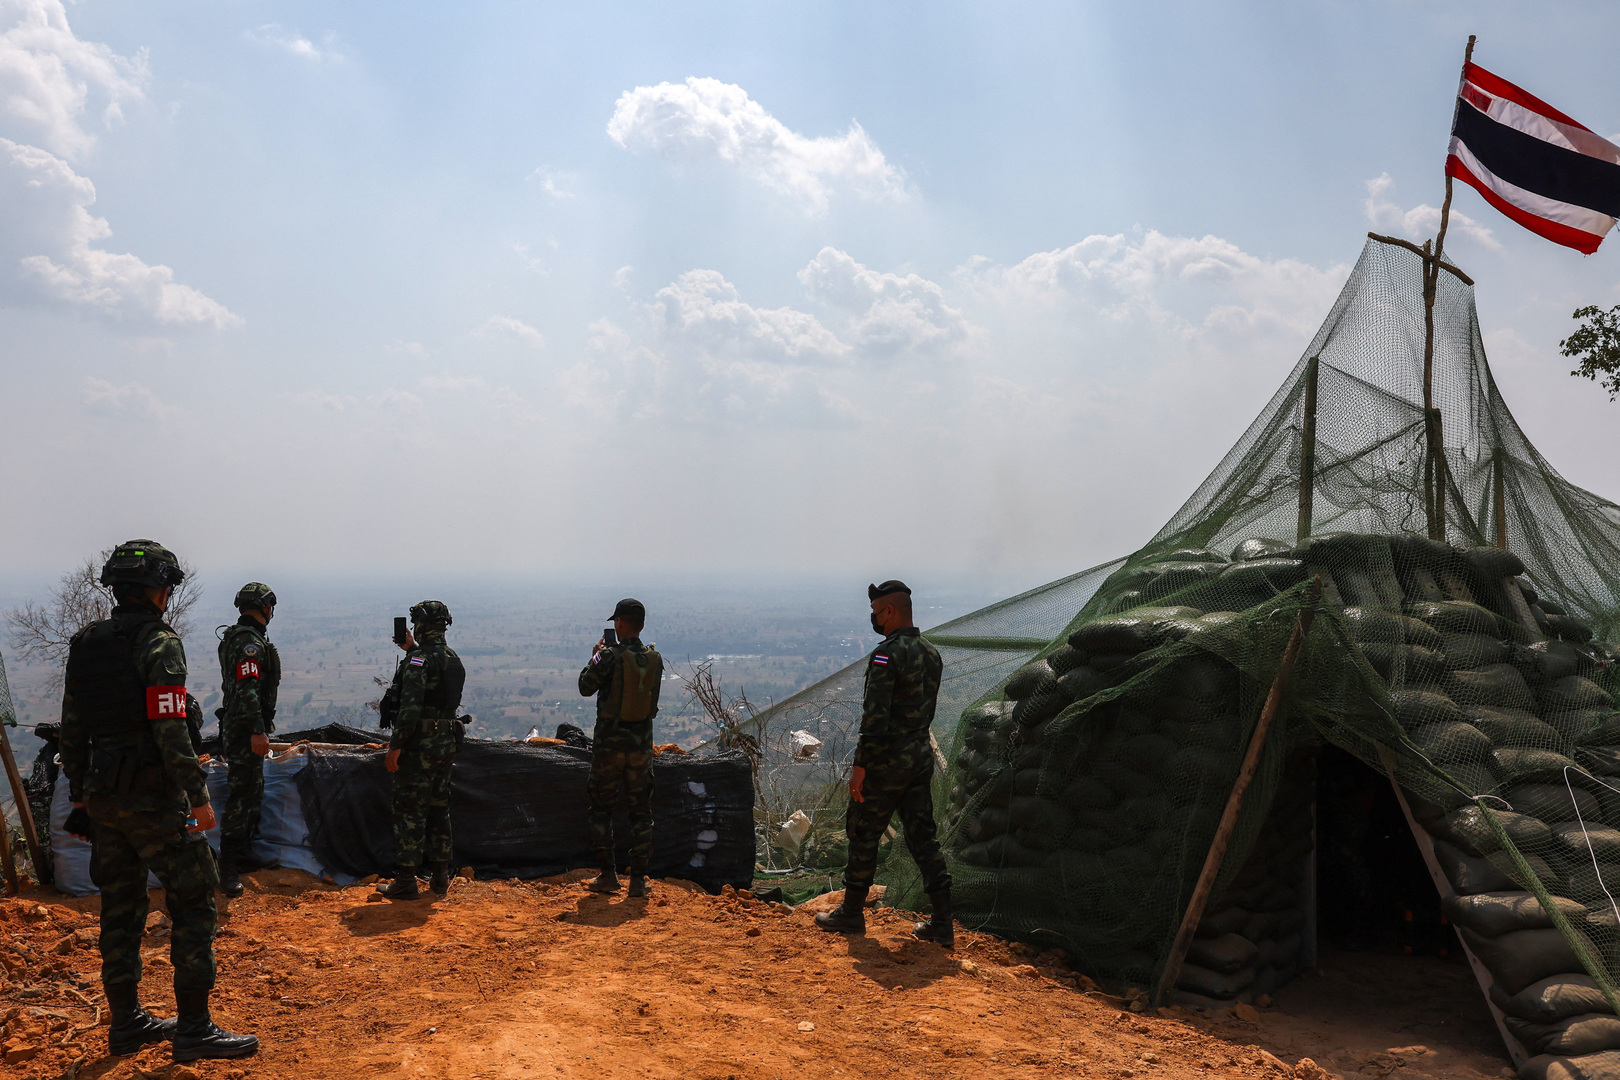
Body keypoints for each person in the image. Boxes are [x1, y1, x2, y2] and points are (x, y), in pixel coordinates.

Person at [59, 539, 258, 1061]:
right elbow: (170, 730)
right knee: (194, 900)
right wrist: (198, 797)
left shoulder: (86, 642)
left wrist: (79, 797)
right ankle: (194, 1028)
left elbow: (72, 728)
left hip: (103, 799)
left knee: (120, 908)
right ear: (159, 590)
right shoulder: (159, 643)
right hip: (153, 800)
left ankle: (126, 1025)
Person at [815, 580, 955, 947]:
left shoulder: (886, 656)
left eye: (876, 612)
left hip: (886, 762)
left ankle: (851, 913)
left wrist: (861, 766)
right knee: (923, 837)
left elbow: (875, 718)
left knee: (864, 832)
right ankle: (943, 922)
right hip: (919, 758)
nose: (874, 618)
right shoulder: (931, 653)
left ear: (889, 611)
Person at [378, 600, 465, 900]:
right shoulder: (452, 659)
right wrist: (412, 649)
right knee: (440, 807)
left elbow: (410, 709)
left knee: (410, 810)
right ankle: (440, 878)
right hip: (446, 743)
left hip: (419, 747)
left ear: (422, 625)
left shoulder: (418, 661)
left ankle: (406, 880)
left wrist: (396, 746)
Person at [577, 598, 663, 897]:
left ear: (620, 623)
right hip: (641, 748)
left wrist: (595, 656)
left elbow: (585, 687)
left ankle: (608, 875)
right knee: (642, 813)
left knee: (601, 810)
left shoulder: (608, 656)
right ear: (641, 626)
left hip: (609, 748)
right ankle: (638, 881)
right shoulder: (654, 659)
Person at [214, 582, 281, 897]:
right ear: (265, 607)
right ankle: (227, 868)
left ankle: (242, 853)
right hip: (244, 727)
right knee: (242, 795)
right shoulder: (250, 643)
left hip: (240, 724)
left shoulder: (236, 636)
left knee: (252, 790)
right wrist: (257, 730)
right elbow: (247, 688)